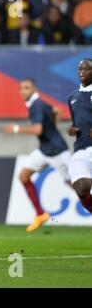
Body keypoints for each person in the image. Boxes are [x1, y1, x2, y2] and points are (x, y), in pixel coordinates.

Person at [4, 78, 71, 232]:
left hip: (57, 152)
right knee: (24, 176)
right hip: (44, 149)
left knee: (77, 186)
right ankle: (40, 214)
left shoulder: (35, 105)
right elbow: (57, 111)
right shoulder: (39, 103)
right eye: (21, 88)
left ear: (34, 89)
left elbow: (37, 130)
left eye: (26, 88)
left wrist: (16, 129)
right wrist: (52, 128)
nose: (22, 91)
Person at [67, 58, 92, 213]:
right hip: (81, 148)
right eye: (80, 69)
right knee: (81, 187)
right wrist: (72, 129)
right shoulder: (72, 97)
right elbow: (76, 121)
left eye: (87, 69)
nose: (82, 72)